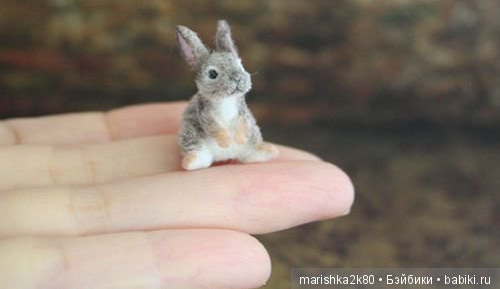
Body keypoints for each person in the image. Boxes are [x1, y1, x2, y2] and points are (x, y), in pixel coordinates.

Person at [0, 102, 354, 289]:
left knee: (248, 138)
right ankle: (200, 154)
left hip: (235, 141)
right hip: (208, 143)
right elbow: (205, 123)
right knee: (200, 143)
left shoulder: (237, 100)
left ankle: (248, 150)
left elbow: (243, 121)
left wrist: (240, 137)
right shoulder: (201, 105)